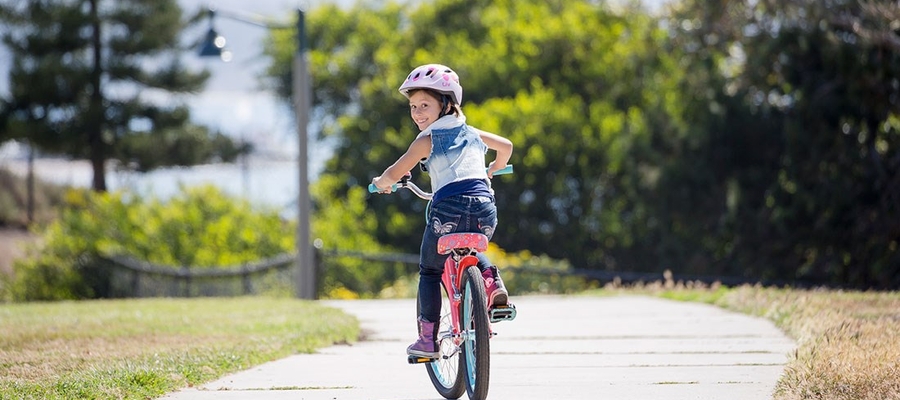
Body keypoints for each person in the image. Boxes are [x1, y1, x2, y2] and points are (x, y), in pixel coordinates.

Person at [371, 64, 514, 358]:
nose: (417, 113)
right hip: (486, 208)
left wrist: (382, 183)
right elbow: (506, 146)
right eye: (413, 106)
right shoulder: (472, 133)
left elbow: (396, 171)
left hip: (447, 208)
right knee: (471, 242)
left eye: (425, 104)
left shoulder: (427, 140)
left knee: (429, 269)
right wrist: (494, 168)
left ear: (446, 104)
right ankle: (491, 282)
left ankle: (426, 341)